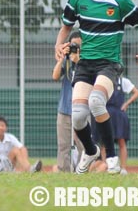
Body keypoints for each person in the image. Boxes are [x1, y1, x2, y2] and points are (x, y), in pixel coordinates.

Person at [54, 0, 138, 174]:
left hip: (109, 64)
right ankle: (90, 150)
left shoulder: (119, 1)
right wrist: (58, 45)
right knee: (78, 115)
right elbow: (66, 27)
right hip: (85, 65)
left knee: (96, 102)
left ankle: (113, 159)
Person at [92, 76, 138, 175]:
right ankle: (105, 166)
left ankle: (123, 168)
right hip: (105, 113)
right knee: (104, 143)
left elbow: (137, 93)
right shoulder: (102, 81)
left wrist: (127, 103)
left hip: (118, 115)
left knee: (121, 141)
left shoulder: (124, 81)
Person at [52, 31, 85, 173]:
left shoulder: (87, 61)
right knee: (63, 145)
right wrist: (61, 58)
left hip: (82, 109)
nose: (75, 48)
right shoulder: (66, 61)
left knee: (83, 144)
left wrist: (78, 60)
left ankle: (83, 171)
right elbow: (55, 76)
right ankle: (64, 172)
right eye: (73, 45)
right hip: (64, 109)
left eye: (78, 46)